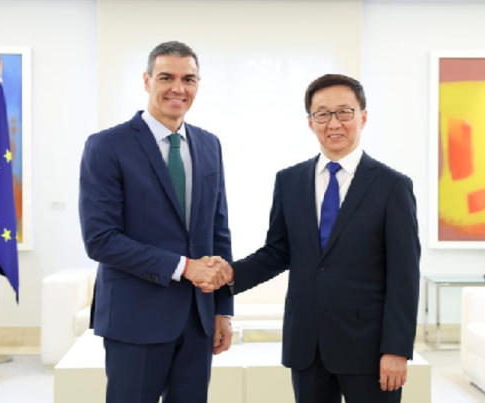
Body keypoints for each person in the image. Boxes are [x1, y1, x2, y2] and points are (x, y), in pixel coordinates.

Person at [204, 74, 420, 402]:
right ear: (310, 122)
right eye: (323, 114)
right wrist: (227, 276)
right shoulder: (290, 181)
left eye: (344, 112)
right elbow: (278, 252)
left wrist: (397, 349)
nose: (334, 123)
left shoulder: (393, 186)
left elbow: (404, 275)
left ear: (362, 117)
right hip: (307, 344)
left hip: (369, 346)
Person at [79, 41, 233, 403]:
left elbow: (218, 232)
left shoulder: (209, 145)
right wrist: (185, 267)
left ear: (198, 84)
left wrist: (222, 309)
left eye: (188, 79)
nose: (178, 88)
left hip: (197, 320)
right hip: (135, 318)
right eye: (166, 77)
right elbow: (101, 239)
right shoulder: (107, 145)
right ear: (147, 80)